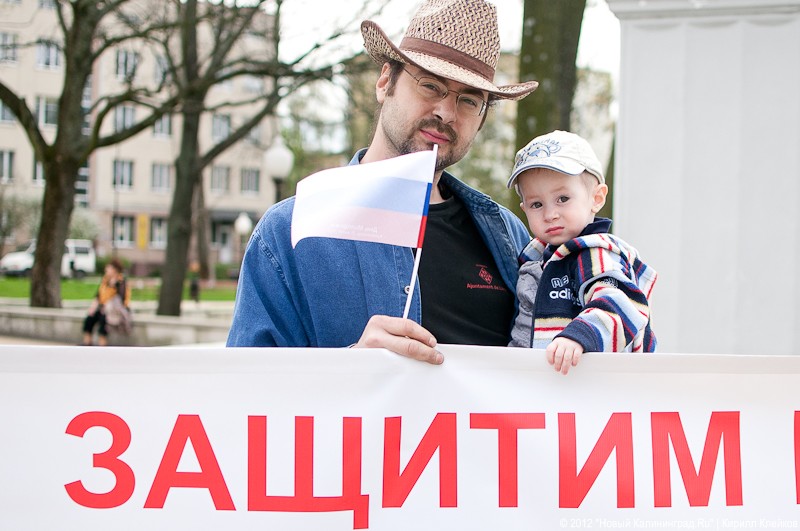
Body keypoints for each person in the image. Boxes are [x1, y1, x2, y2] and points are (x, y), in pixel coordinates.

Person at [227, 0, 539, 362]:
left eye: (469, 100)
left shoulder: (512, 238)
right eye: (430, 85)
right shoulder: (292, 232)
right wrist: (354, 364)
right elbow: (246, 387)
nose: (446, 112)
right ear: (384, 82)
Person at [506, 130, 658, 374]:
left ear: (596, 198)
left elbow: (622, 305)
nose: (550, 214)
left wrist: (578, 337)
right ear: (524, 209)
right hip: (536, 378)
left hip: (587, 380)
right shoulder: (534, 259)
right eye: (537, 204)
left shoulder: (595, 255)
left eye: (563, 198)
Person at [81, 258, 131, 346]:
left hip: (115, 311)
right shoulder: (105, 280)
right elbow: (98, 295)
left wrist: (113, 285)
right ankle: (87, 343)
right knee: (89, 319)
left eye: (108, 268)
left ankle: (102, 345)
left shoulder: (120, 281)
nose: (106, 270)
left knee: (103, 321)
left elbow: (121, 299)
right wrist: (93, 308)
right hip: (103, 308)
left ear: (115, 270)